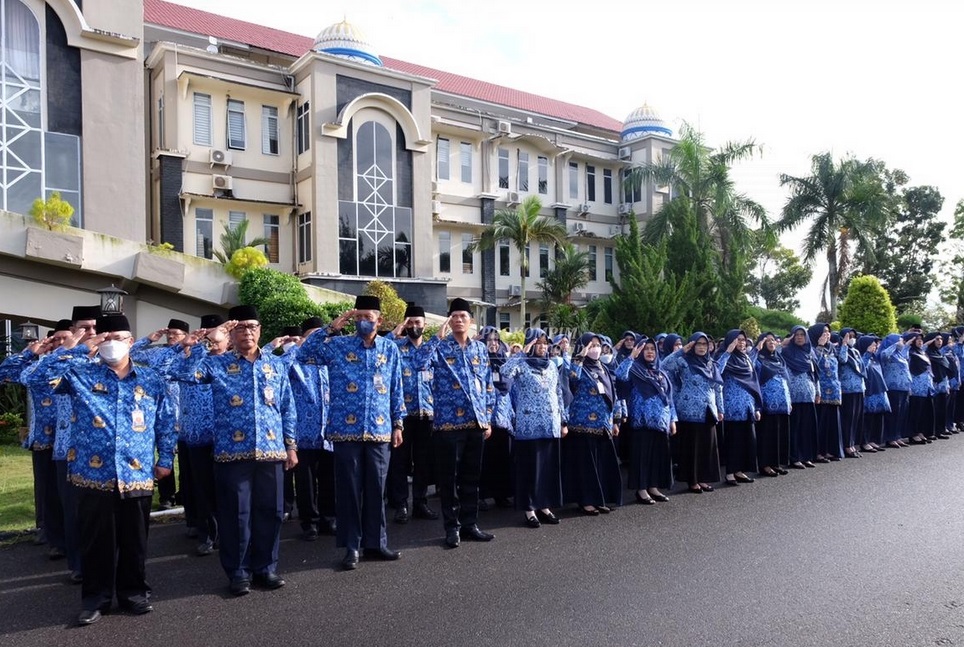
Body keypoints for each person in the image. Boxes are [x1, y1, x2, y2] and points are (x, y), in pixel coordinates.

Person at [43, 315, 176, 626]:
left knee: (135, 540)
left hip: (136, 472)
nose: (111, 342)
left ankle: (134, 593)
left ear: (131, 341)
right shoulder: (79, 374)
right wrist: (77, 347)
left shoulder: (150, 380)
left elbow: (166, 422)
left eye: (118, 336)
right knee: (96, 542)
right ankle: (95, 598)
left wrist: (166, 459)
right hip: (92, 475)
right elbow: (37, 376)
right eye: (104, 337)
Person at [170, 306, 297, 594]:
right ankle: (238, 572)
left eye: (252, 326)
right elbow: (179, 373)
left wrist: (290, 445)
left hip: (270, 452)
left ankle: (266, 568)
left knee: (271, 512)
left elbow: (286, 407)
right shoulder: (217, 364)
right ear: (232, 333)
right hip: (232, 453)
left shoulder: (275, 365)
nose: (247, 332)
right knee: (236, 515)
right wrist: (204, 342)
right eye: (240, 327)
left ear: (260, 331)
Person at [298, 296, 405, 570]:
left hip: (380, 430)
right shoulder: (338, 346)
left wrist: (398, 423)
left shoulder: (389, 349)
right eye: (358, 317)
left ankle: (376, 543)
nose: (362, 322)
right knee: (349, 491)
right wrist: (332, 327)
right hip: (346, 431)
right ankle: (351, 547)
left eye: (368, 317)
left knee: (376, 490)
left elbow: (396, 388)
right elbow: (303, 354)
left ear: (379, 320)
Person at [414, 298, 496, 549]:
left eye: (463, 316)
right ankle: (452, 527)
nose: (459, 320)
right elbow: (418, 363)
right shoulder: (439, 346)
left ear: (471, 321)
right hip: (448, 425)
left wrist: (488, 416)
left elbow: (488, 384)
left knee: (472, 477)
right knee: (449, 480)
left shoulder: (479, 349)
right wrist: (436, 337)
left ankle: (470, 524)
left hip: (475, 423)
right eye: (454, 316)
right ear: (449, 320)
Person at [500, 328, 566, 527]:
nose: (542, 347)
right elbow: (504, 372)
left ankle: (544, 506)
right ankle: (529, 509)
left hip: (550, 424)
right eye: (538, 343)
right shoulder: (521, 365)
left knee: (547, 468)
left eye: (545, 344)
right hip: (528, 426)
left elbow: (559, 393)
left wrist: (563, 421)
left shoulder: (552, 366)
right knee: (530, 468)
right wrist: (521, 352)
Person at [174, 314, 227, 556]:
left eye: (218, 335)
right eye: (209, 336)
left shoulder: (232, 363)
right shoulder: (193, 362)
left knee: (227, 488)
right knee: (202, 488)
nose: (214, 340)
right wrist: (194, 346)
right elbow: (174, 372)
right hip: (196, 435)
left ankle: (229, 532)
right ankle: (208, 532)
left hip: (228, 436)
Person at [278, 317, 336, 541]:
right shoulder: (295, 361)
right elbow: (280, 367)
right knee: (306, 482)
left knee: (329, 478)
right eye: (312, 335)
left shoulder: (330, 360)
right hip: (304, 432)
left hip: (330, 430)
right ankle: (309, 522)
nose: (318, 340)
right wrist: (295, 348)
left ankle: (329, 518)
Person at [386, 303, 438, 524]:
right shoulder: (396, 347)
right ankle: (400, 504)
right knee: (399, 461)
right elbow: (377, 347)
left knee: (424, 461)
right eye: (410, 322)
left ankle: (420, 502)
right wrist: (395, 331)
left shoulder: (434, 349)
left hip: (427, 414)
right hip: (403, 415)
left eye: (418, 323)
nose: (414, 326)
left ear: (425, 326)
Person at [131, 319, 190, 512]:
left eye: (177, 334)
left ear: (185, 336)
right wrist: (149, 339)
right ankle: (167, 495)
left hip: (183, 411)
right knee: (165, 453)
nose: (172, 337)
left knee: (186, 456)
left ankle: (185, 493)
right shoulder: (158, 352)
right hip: (160, 412)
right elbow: (131, 353)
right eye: (169, 333)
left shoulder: (189, 354)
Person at [562, 332, 622, 514]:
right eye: (591, 345)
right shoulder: (579, 366)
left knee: (601, 465)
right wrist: (580, 354)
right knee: (586, 467)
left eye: (598, 345)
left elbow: (614, 393)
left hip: (603, 424)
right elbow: (571, 376)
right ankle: (586, 501)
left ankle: (599, 498)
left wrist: (616, 419)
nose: (595, 349)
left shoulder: (603, 367)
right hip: (582, 424)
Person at [615, 336, 675, 504]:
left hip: (660, 422)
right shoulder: (634, 369)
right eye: (645, 349)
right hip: (641, 421)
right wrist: (631, 357)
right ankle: (641, 490)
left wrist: (673, 419)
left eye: (652, 349)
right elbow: (620, 375)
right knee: (642, 457)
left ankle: (653, 487)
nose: (649, 352)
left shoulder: (660, 372)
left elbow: (669, 397)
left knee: (657, 456)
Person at [661, 333, 724, 493]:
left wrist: (720, 409)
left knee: (707, 446)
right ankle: (693, 480)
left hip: (709, 410)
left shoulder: (711, 363)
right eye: (698, 344)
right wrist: (682, 351)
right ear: (692, 345)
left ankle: (703, 478)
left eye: (705, 344)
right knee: (693, 448)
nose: (702, 347)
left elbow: (717, 388)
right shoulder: (684, 361)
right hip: (689, 411)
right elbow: (664, 365)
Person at [716, 330, 761, 486]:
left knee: (747, 440)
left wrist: (756, 406)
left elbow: (753, 381)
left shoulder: (746, 358)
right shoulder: (725, 358)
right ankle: (730, 473)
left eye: (743, 340)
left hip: (747, 406)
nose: (741, 343)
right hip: (732, 408)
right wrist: (728, 352)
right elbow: (716, 372)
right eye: (737, 340)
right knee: (733, 442)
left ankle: (740, 470)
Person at [478, 326, 514, 510]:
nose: (493, 344)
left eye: (496, 340)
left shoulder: (503, 360)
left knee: (503, 456)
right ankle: (482, 494)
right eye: (489, 340)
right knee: (484, 457)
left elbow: (509, 386)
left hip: (504, 417)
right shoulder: (478, 361)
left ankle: (501, 494)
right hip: (485, 418)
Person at [752, 332, 791, 477]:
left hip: (782, 404)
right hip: (767, 404)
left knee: (779, 435)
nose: (771, 343)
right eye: (767, 340)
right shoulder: (759, 359)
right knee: (767, 435)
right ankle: (765, 465)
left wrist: (789, 400)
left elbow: (786, 380)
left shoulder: (779, 359)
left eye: (773, 340)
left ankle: (776, 463)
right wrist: (756, 349)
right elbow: (753, 376)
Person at [781, 326, 819, 469]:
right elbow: (774, 355)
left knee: (806, 428)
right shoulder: (786, 351)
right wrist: (783, 344)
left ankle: (806, 456)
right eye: (796, 334)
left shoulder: (810, 352)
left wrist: (818, 392)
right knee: (795, 429)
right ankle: (795, 457)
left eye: (802, 334)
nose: (799, 337)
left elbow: (815, 374)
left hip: (808, 395)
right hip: (794, 396)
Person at [838, 328, 868, 456]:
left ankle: (852, 444)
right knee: (848, 419)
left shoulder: (855, 351)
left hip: (858, 388)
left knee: (856, 418)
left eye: (853, 336)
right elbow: (842, 360)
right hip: (847, 389)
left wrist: (863, 387)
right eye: (848, 336)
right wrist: (844, 345)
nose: (851, 338)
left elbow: (862, 368)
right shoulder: (839, 349)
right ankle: (846, 445)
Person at [878, 333, 911, 448]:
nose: (902, 343)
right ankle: (890, 438)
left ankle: (897, 436)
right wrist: (894, 345)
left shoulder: (899, 355)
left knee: (901, 414)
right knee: (894, 414)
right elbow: (883, 355)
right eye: (900, 341)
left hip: (904, 388)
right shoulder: (888, 353)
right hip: (893, 388)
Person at [858, 335, 890, 450]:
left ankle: (874, 440)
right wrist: (867, 353)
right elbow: (862, 368)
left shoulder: (875, 357)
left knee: (878, 416)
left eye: (875, 344)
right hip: (869, 391)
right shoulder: (863, 356)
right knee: (868, 418)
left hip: (879, 389)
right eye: (872, 344)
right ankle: (865, 442)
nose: (875, 346)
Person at [906, 332, 935, 445]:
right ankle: (913, 434)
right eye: (917, 339)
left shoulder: (922, 352)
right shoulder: (910, 352)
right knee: (916, 411)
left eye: (921, 339)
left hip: (926, 385)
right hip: (916, 386)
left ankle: (920, 432)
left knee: (924, 411)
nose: (919, 341)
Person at [925, 332, 952, 441]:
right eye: (937, 339)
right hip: (933, 384)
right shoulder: (927, 353)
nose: (940, 341)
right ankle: (932, 431)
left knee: (942, 408)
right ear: (931, 340)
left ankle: (940, 430)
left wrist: (947, 384)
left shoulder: (939, 353)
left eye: (941, 339)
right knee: (933, 409)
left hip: (943, 384)